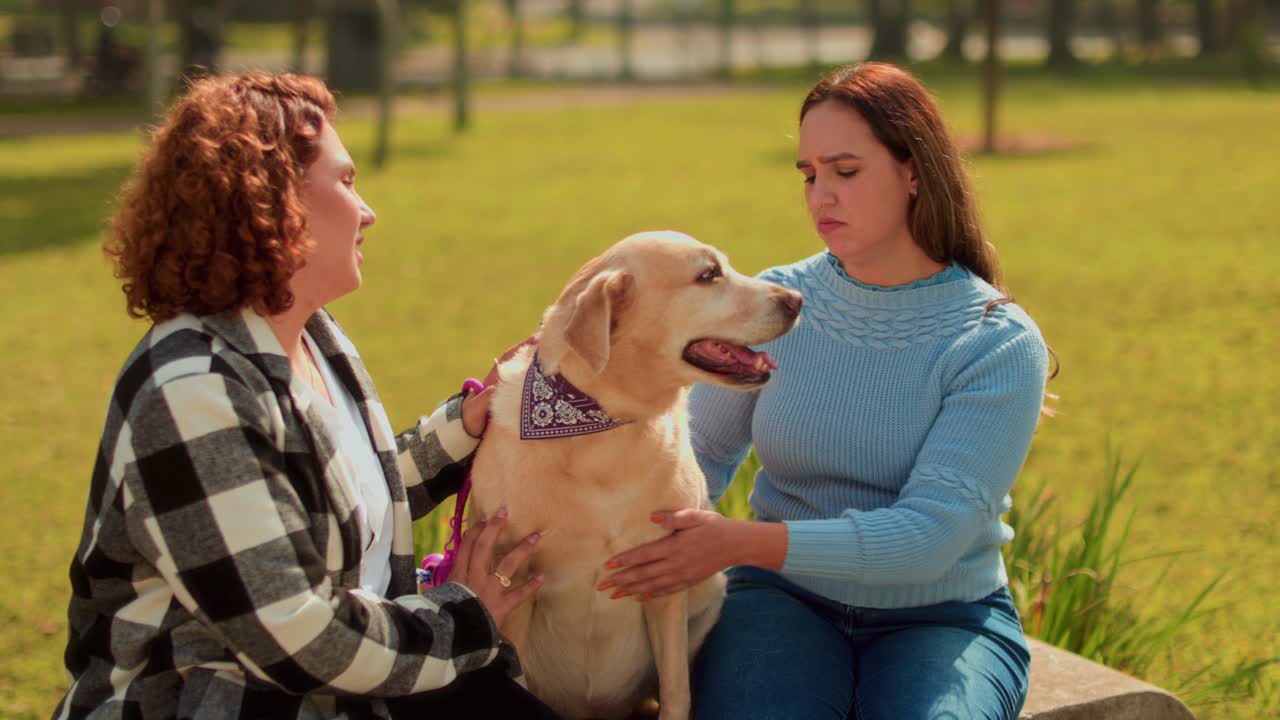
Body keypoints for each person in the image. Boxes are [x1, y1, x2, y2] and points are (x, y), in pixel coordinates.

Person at [56, 72, 558, 719]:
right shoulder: (190, 390)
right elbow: (297, 634)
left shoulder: (312, 336)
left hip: (372, 679)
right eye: (346, 182)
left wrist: (467, 422)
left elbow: (329, 511)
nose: (368, 209)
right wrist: (464, 616)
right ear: (270, 202)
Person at [600, 62, 1052, 719]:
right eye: (810, 175)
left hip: (944, 618)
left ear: (915, 171)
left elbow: (931, 537)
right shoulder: (775, 305)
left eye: (846, 171)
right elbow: (698, 454)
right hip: (780, 601)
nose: (821, 197)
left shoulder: (997, 342)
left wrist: (738, 543)